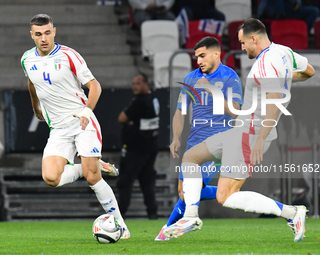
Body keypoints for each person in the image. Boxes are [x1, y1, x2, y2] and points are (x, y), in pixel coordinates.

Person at [163, 18, 315, 242]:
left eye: (243, 42)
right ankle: (191, 216)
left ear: (254, 38)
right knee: (191, 157)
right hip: (243, 129)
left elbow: (274, 104)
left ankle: (292, 213)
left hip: (251, 133)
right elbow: (309, 71)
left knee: (226, 196)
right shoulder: (284, 52)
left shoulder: (265, 64)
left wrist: (261, 139)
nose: (242, 48)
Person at [21, 14, 130, 238]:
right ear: (32, 35)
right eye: (39, 34)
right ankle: (94, 165)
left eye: (48, 32)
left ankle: (121, 225)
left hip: (82, 122)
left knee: (92, 178)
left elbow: (95, 86)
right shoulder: (26, 60)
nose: (44, 38)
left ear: (54, 31)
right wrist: (36, 108)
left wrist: (87, 111)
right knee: (51, 177)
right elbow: (32, 83)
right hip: (59, 129)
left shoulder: (69, 55)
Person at [155, 36, 243, 241]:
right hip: (194, 142)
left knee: (188, 193)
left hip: (217, 142)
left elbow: (235, 112)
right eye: (196, 57)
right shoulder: (191, 78)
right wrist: (176, 137)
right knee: (183, 192)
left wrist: (212, 91)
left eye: (202, 56)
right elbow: (180, 112)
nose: (199, 61)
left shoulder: (230, 77)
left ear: (216, 54)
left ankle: (166, 232)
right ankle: (229, 189)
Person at [117, 74, 160, 219]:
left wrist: (130, 123)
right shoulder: (154, 100)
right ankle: (152, 213)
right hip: (150, 147)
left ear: (146, 84)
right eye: (133, 83)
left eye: (138, 83)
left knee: (125, 181)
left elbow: (122, 118)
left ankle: (119, 214)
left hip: (135, 150)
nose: (135, 86)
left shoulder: (140, 102)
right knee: (147, 182)